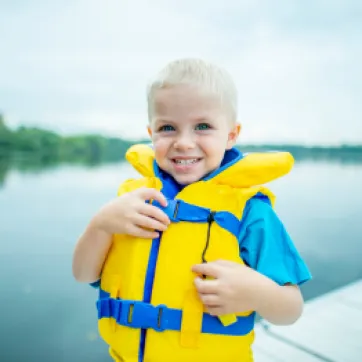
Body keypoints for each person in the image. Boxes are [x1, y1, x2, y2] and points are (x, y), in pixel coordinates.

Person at [72, 58, 311, 362]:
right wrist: (100, 225)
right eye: (168, 128)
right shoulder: (131, 202)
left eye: (202, 126)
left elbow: (291, 310)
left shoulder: (252, 212)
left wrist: (258, 292)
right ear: (151, 133)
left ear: (231, 135)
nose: (184, 143)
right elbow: (82, 274)